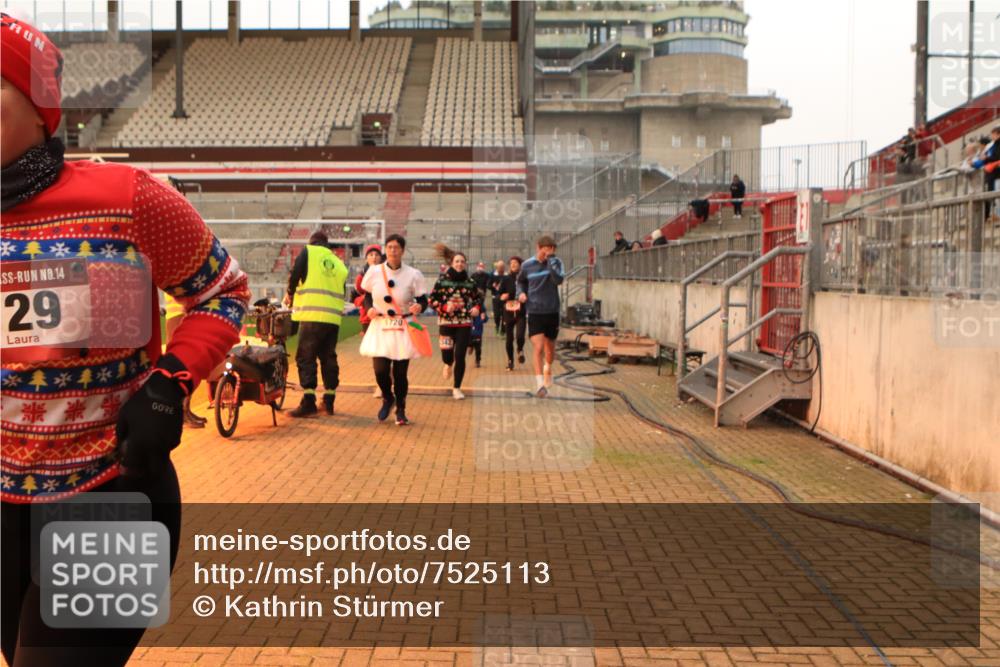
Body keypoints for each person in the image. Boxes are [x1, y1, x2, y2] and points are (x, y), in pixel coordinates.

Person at [1, 14, 249, 665]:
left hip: (112, 493)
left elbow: (222, 291)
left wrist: (171, 382)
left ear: (38, 107)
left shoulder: (127, 199)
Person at [359, 234, 428, 425]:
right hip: (381, 324)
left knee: (400, 373)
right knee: (380, 370)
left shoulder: (413, 274)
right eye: (389, 247)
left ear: (402, 250)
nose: (392, 251)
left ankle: (401, 409)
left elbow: (423, 299)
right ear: (385, 250)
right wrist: (368, 308)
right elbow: (365, 295)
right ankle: (388, 398)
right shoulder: (374, 271)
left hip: (403, 325)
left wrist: (419, 307)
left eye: (396, 247)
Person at [284, 231, 348, 417]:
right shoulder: (338, 263)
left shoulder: (309, 252)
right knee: (328, 357)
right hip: (332, 319)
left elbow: (295, 274)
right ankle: (329, 400)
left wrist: (290, 293)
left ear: (312, 242)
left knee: (305, 356)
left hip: (312, 315)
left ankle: (308, 401)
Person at [429, 243, 483, 400]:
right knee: (448, 355)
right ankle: (447, 364)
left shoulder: (470, 281)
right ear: (451, 263)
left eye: (462, 261)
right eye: (457, 261)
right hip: (446, 323)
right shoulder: (442, 281)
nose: (460, 264)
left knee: (460, 356)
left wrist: (477, 308)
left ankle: (457, 388)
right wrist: (445, 307)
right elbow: (432, 300)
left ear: (465, 264)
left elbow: (478, 297)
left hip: (464, 323)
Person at [517, 236, 565, 398]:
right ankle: (539, 385)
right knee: (538, 348)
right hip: (535, 311)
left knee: (549, 348)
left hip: (551, 311)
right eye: (546, 248)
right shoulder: (527, 265)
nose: (549, 251)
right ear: (539, 247)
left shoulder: (556, 262)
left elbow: (558, 280)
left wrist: (550, 261)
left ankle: (547, 367)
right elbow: (520, 282)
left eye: (552, 249)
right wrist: (521, 293)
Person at [164, 294, 206, 428]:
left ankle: (186, 410)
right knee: (184, 366)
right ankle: (181, 413)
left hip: (183, 314)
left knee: (191, 366)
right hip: (179, 315)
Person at [498, 255, 527, 372]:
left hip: (521, 312)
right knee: (509, 339)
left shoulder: (524, 278)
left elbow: (529, 290)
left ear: (520, 264)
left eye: (516, 262)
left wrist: (525, 296)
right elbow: (499, 294)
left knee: (520, 335)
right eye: (511, 263)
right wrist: (502, 296)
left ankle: (520, 349)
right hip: (508, 312)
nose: (513, 264)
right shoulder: (506, 279)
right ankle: (510, 361)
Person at [489, 259, 507, 335]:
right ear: (497, 267)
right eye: (499, 267)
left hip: (505, 299)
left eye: (502, 267)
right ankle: (497, 326)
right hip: (495, 298)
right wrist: (493, 286)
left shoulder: (507, 275)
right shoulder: (493, 275)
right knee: (497, 315)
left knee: (504, 315)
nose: (501, 268)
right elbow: (488, 285)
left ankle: (503, 331)